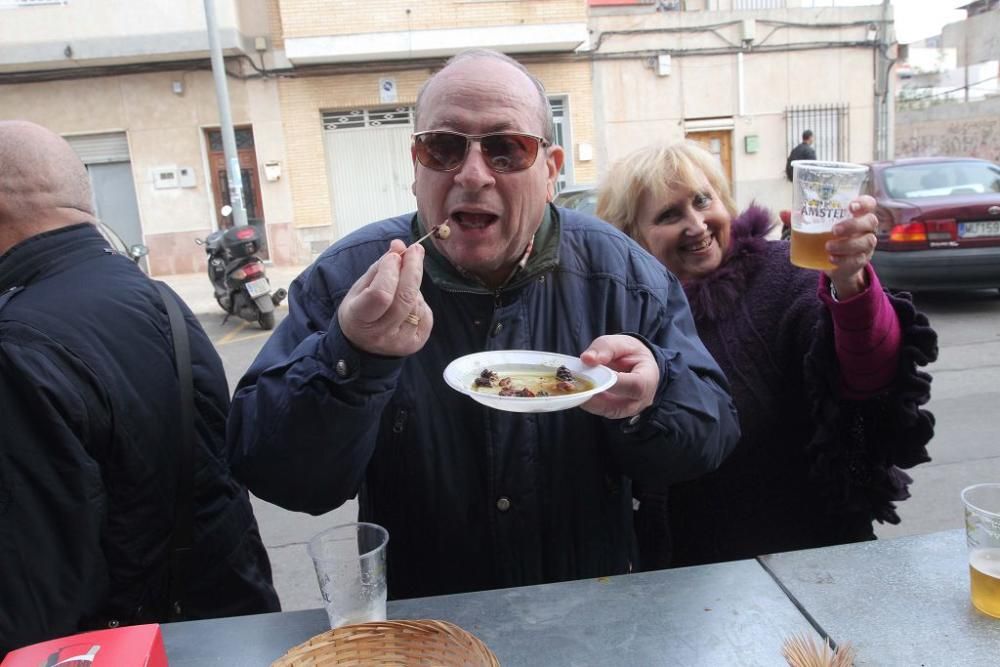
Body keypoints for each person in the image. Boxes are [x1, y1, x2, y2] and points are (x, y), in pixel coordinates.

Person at [227, 50, 741, 600]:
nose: (472, 175)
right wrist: (351, 358)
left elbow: (712, 433)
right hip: (427, 632)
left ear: (550, 170)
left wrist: (652, 396)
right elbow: (276, 472)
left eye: (506, 148)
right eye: (444, 147)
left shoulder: (624, 277)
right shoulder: (346, 281)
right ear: (416, 165)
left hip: (589, 619)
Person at [0, 121, 279, 654]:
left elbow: (34, 597)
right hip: (231, 627)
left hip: (125, 648)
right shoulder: (158, 298)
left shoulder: (15, 344)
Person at [597, 141, 937, 568]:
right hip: (677, 576)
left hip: (799, 567)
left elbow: (865, 373)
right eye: (669, 215)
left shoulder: (783, 273)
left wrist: (850, 285)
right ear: (630, 237)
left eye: (704, 200)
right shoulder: (625, 311)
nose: (697, 224)